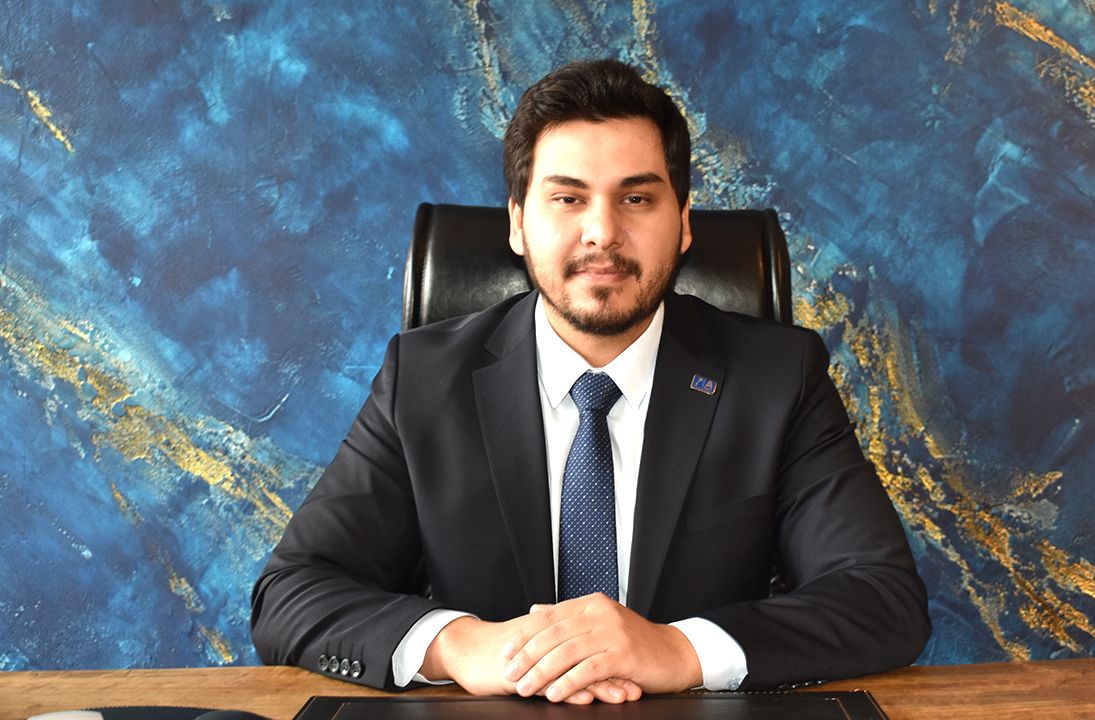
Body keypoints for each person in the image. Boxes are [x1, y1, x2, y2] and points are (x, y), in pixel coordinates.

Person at [250, 59, 930, 705]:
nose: (602, 232)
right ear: (518, 223)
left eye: (636, 197)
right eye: (567, 198)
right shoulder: (423, 380)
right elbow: (292, 591)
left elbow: (881, 597)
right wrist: (459, 646)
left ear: (683, 223)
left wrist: (678, 650)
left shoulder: (777, 379)